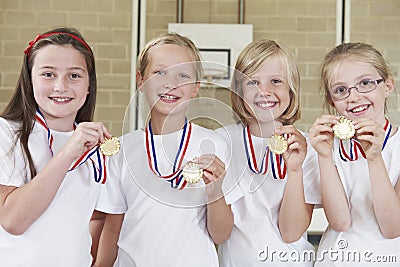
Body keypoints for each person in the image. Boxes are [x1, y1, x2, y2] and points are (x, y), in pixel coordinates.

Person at [93, 32, 234, 267]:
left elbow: (221, 235)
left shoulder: (215, 146)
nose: (171, 83)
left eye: (183, 75)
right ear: (140, 80)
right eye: (160, 72)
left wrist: (215, 191)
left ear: (196, 87)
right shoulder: (121, 149)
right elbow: (113, 226)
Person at [0, 27, 111, 266]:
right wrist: (69, 150)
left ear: (89, 85)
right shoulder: (6, 133)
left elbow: (97, 219)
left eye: (74, 75)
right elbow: (13, 221)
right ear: (29, 81)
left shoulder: (96, 146)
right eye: (48, 74)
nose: (61, 86)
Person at [216, 39, 321, 266]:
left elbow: (291, 232)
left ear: (291, 89)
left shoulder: (308, 147)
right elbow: (218, 231)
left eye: (276, 81)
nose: (265, 91)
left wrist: (295, 171)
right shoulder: (222, 141)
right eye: (253, 82)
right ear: (239, 89)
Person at [310, 42, 400, 266]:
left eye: (365, 83)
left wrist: (374, 158)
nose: (354, 97)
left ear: (388, 86)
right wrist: (323, 156)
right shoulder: (327, 146)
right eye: (341, 90)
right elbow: (340, 222)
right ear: (332, 100)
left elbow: (392, 227)